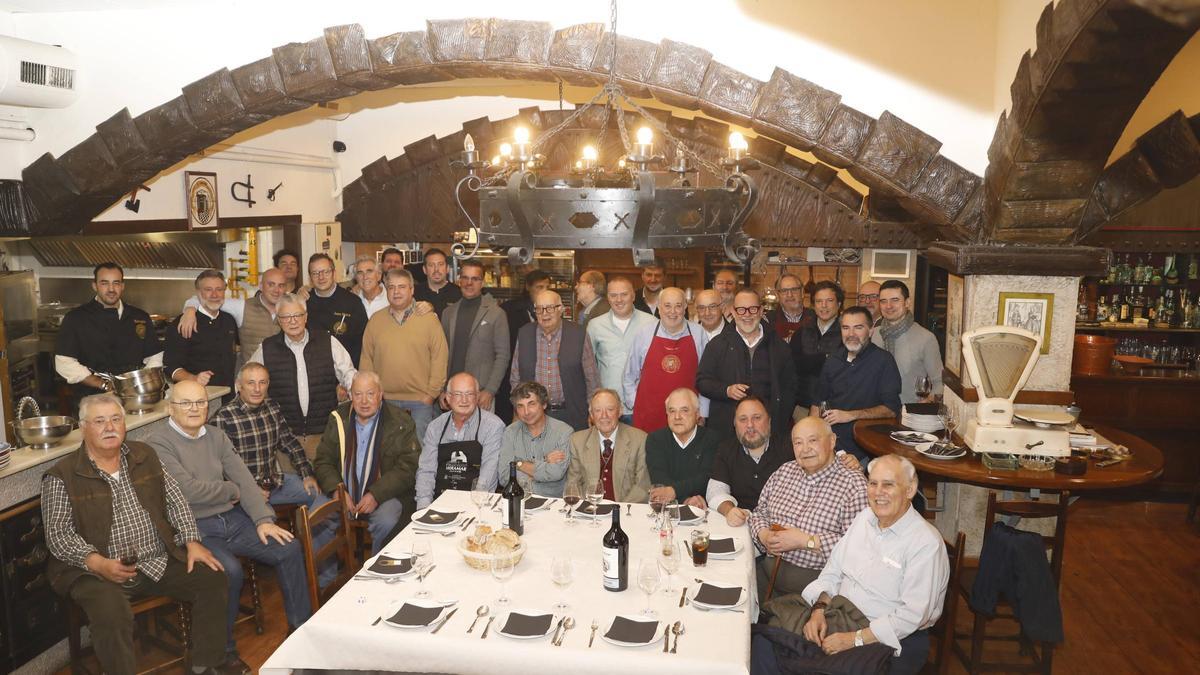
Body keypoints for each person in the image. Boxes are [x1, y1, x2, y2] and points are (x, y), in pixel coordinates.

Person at [42, 393, 229, 675]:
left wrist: (191, 541)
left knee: (212, 578)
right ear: (83, 428)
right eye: (100, 421)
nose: (109, 427)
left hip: (155, 559)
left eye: (116, 419)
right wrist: (98, 563)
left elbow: (175, 499)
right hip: (94, 571)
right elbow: (58, 535)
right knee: (111, 613)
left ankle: (204, 666)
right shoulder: (61, 475)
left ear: (125, 424)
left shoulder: (145, 455)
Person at [149, 380, 310, 667]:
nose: (195, 408)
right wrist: (230, 490)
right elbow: (187, 490)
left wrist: (262, 519)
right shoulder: (158, 443)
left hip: (232, 519)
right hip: (193, 528)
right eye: (186, 403)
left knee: (288, 547)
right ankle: (223, 653)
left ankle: (303, 632)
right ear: (170, 409)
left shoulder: (215, 435)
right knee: (228, 571)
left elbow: (243, 478)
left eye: (200, 402)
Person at [796, 455, 949, 674]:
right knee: (767, 644)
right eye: (873, 483)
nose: (878, 493)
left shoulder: (925, 543)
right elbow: (833, 571)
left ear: (910, 490)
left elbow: (912, 615)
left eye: (888, 484)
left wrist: (854, 639)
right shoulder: (864, 518)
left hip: (893, 639)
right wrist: (818, 611)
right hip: (840, 617)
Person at [747, 416, 868, 603]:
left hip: (814, 592)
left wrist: (807, 541)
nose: (805, 449)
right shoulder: (785, 471)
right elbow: (760, 512)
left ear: (832, 441)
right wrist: (763, 535)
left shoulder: (854, 485)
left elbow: (859, 546)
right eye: (798, 443)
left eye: (813, 440)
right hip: (767, 577)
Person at [313, 371, 420, 555]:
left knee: (386, 520)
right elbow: (323, 461)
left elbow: (408, 467)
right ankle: (327, 579)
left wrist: (375, 494)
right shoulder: (338, 419)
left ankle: (378, 572)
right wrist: (337, 491)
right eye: (358, 394)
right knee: (315, 517)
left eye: (370, 394)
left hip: (385, 494)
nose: (364, 401)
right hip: (343, 492)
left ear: (380, 395)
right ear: (350, 396)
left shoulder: (400, 421)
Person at [249, 293, 357, 458]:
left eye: (297, 315)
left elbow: (349, 376)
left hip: (323, 434)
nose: (292, 321)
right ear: (278, 319)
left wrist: (359, 396)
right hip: (284, 437)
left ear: (306, 317)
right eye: (286, 316)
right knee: (290, 483)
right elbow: (246, 380)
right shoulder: (267, 348)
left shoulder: (328, 342)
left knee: (325, 481)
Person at [212, 362, 328, 513]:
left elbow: (290, 443)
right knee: (269, 525)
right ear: (239, 386)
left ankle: (306, 536)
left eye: (262, 382)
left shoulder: (272, 407)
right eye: (251, 383)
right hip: (243, 493)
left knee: (323, 500)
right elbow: (218, 468)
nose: (257, 389)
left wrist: (307, 474)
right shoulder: (223, 418)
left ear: (268, 384)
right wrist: (248, 491)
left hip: (274, 483)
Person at [696, 287, 797, 440]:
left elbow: (790, 389)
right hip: (727, 431)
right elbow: (702, 381)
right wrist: (726, 390)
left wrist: (778, 422)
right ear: (733, 312)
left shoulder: (779, 347)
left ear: (761, 310)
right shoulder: (717, 345)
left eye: (753, 309)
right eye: (741, 310)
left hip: (769, 432)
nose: (747, 315)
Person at [359, 268, 448, 441]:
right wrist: (370, 394)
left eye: (402, 287)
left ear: (412, 290)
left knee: (419, 455)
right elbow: (366, 360)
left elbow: (440, 357)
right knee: (387, 453)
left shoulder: (429, 320)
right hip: (384, 401)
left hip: (420, 403)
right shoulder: (376, 321)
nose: (396, 292)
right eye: (391, 287)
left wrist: (431, 395)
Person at [55, 262, 163, 402]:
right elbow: (64, 362)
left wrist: (138, 384)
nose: (111, 289)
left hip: (133, 397)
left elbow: (155, 356)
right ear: (95, 286)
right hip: (91, 397)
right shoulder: (76, 318)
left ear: (122, 286)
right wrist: (103, 384)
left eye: (116, 283)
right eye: (104, 283)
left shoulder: (139, 317)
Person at [813, 306, 902, 462]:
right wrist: (814, 437)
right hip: (831, 445)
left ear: (871, 330)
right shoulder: (832, 360)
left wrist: (850, 415)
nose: (851, 334)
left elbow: (891, 409)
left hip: (866, 448)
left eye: (858, 328)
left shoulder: (884, 361)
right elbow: (817, 403)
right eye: (846, 328)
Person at [622, 287, 709, 432]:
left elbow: (706, 378)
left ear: (685, 307)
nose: (673, 311)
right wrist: (636, 404)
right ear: (659, 307)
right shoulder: (645, 333)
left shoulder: (698, 333)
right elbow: (629, 376)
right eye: (667, 305)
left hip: (687, 418)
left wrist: (703, 413)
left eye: (678, 306)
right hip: (649, 417)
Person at [510, 289, 599, 431]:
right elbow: (515, 377)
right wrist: (518, 408)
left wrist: (593, 410)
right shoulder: (524, 334)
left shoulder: (578, 334)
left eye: (550, 308)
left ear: (561, 309)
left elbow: (592, 378)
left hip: (572, 414)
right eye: (539, 309)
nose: (544, 314)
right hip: (534, 415)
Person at [416, 372, 505, 509]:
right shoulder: (435, 427)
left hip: (475, 505)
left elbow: (488, 476)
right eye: (458, 394)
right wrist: (424, 508)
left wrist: (473, 509)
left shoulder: (493, 426)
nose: (464, 400)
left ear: (477, 397)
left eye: (469, 394)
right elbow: (426, 471)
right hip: (438, 502)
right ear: (448, 398)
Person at [705, 397, 792, 526]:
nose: (750, 425)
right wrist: (730, 510)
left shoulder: (790, 449)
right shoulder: (726, 449)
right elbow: (715, 491)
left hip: (781, 526)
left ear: (769, 421)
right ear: (734, 424)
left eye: (757, 418)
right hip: (741, 525)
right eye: (743, 419)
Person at [179, 267, 288, 365]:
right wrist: (190, 311)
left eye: (281, 286)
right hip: (251, 381)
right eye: (271, 284)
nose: (276, 290)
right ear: (261, 286)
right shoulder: (242, 306)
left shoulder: (291, 308)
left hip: (282, 376)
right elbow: (201, 299)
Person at [440, 259, 509, 412]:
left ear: (482, 282)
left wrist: (490, 390)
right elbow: (441, 355)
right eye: (465, 278)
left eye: (475, 279)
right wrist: (442, 390)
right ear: (459, 280)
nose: (469, 283)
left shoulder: (496, 314)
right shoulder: (448, 313)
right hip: (452, 395)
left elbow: (503, 356)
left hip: (480, 395)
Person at [586, 276, 655, 419]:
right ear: (607, 298)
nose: (619, 300)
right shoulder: (595, 325)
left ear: (633, 296)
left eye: (624, 294)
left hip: (642, 404)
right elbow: (588, 368)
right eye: (613, 295)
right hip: (607, 409)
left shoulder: (651, 323)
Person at [565, 389, 650, 503]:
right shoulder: (577, 441)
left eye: (610, 409)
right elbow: (574, 484)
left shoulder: (639, 439)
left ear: (620, 411)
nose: (604, 416)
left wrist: (619, 510)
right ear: (591, 415)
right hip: (590, 510)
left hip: (626, 511)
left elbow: (642, 486)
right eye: (598, 410)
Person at [644, 387, 721, 508]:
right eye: (672, 411)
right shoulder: (655, 439)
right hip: (667, 508)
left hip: (703, 508)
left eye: (684, 410)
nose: (677, 417)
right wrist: (685, 500)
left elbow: (707, 478)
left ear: (697, 414)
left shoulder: (712, 439)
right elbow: (660, 479)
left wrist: (674, 491)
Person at [165, 269, 239, 391]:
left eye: (219, 289)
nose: (214, 295)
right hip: (197, 395)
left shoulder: (229, 320)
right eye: (208, 290)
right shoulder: (182, 323)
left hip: (228, 394)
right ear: (198, 293)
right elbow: (169, 366)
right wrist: (193, 378)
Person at [872, 280, 943, 404]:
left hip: (909, 415)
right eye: (883, 301)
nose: (888, 306)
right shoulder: (872, 335)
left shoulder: (926, 338)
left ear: (907, 302)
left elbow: (939, 383)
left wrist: (928, 401)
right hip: (875, 411)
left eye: (895, 300)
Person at [498, 381, 574, 497]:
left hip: (553, 503)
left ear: (544, 404)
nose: (526, 412)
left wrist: (518, 464)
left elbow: (556, 473)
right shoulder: (510, 432)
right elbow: (504, 476)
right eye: (520, 406)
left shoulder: (563, 432)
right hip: (520, 500)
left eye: (531, 404)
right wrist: (545, 462)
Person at [497, 269, 552, 422]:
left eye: (547, 287)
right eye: (539, 287)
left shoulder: (550, 313)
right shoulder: (509, 310)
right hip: (513, 373)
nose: (543, 291)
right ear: (528, 287)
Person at [305, 253, 368, 366]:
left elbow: (362, 343)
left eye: (326, 271)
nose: (321, 277)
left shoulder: (353, 302)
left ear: (334, 273)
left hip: (345, 372)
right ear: (310, 277)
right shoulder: (304, 303)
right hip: (313, 372)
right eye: (315, 273)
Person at [792, 281, 844, 412]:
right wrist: (824, 358)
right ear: (813, 305)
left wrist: (809, 361)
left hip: (836, 407)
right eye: (819, 301)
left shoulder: (847, 332)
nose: (824, 306)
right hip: (803, 405)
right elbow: (792, 366)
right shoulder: (801, 331)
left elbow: (842, 369)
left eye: (829, 300)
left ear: (839, 304)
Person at [766, 273, 814, 343]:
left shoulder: (815, 318)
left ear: (802, 292)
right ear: (777, 295)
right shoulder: (768, 321)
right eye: (784, 291)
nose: (789, 295)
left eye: (794, 290)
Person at [414, 248, 462, 316]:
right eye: (431, 265)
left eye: (440, 264)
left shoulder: (459, 294)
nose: (436, 269)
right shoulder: (414, 293)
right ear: (424, 269)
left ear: (447, 268)